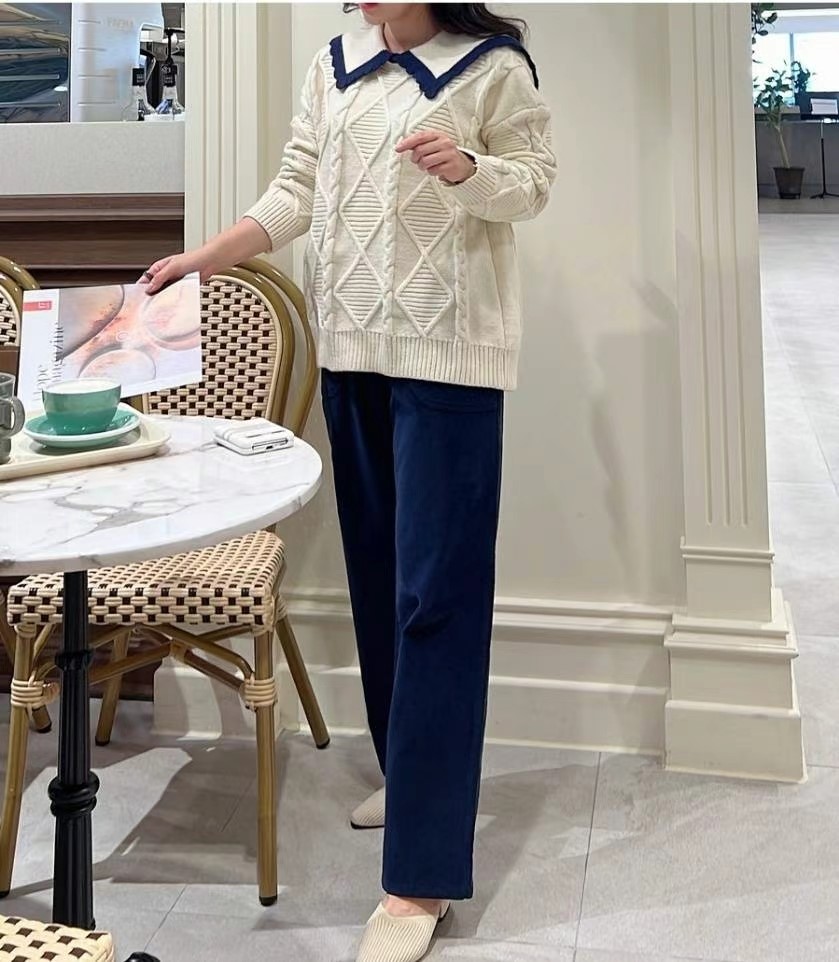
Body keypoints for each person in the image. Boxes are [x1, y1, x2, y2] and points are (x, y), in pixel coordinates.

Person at [141, 3, 555, 960]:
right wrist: (204, 260)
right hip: (351, 355)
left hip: (450, 365)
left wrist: (470, 171)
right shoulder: (336, 63)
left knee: (435, 601)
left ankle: (419, 881)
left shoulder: (494, 66)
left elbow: (532, 186)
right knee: (378, 581)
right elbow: (298, 188)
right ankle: (412, 778)